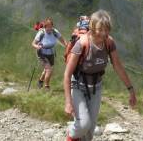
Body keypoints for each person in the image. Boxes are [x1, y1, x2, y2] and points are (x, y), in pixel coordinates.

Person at [63, 10, 137, 141]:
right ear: (92, 27)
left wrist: (131, 90)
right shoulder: (82, 43)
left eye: (106, 29)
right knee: (83, 124)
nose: (104, 33)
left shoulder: (109, 43)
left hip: (96, 87)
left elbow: (118, 66)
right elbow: (67, 74)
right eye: (100, 29)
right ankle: (71, 135)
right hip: (78, 86)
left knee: (90, 131)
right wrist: (68, 102)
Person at [32, 17, 67, 90]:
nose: (50, 29)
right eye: (48, 27)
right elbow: (33, 43)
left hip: (51, 53)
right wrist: (37, 46)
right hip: (41, 53)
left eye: (51, 27)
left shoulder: (55, 31)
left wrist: (67, 46)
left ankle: (40, 81)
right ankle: (46, 86)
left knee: (46, 69)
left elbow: (62, 39)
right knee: (49, 70)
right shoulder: (41, 33)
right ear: (45, 27)